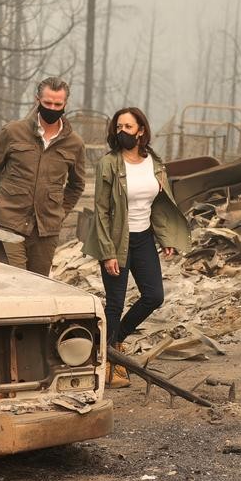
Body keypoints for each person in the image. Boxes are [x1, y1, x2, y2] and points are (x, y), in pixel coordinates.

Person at [83, 107, 191, 388]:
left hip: (143, 238)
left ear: (141, 131)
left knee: (154, 296)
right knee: (115, 303)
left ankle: (115, 341)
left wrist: (164, 237)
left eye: (128, 127)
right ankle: (108, 363)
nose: (122, 132)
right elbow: (101, 210)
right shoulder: (108, 164)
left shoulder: (154, 163)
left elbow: (158, 203)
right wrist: (107, 253)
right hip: (117, 241)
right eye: (118, 127)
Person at [0, 76, 86, 276]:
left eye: (58, 104)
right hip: (9, 223)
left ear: (65, 104)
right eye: (47, 103)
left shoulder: (75, 143)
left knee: (38, 285)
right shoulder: (13, 131)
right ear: (37, 100)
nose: (53, 108)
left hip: (47, 230)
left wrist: (60, 212)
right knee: (14, 282)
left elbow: (76, 185)